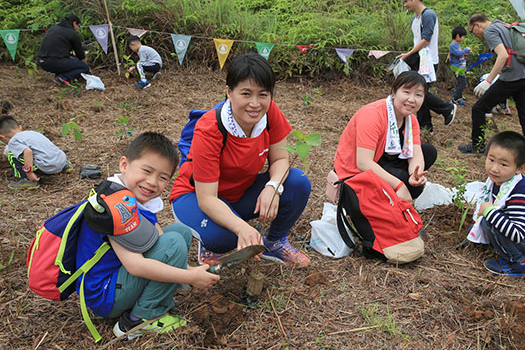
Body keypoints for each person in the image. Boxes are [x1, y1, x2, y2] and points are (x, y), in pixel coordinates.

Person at [170, 53, 311, 267]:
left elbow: (281, 158)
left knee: (297, 182)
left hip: (239, 192)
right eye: (246, 93)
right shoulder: (210, 128)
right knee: (226, 239)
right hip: (196, 197)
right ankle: (208, 240)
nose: (255, 104)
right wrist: (243, 228)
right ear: (229, 92)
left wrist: (272, 187)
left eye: (263, 94)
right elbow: (207, 198)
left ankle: (274, 242)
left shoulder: (269, 112)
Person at [76, 132, 220, 339]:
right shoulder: (116, 208)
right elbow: (136, 265)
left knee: (180, 232)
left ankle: (168, 284)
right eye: (146, 171)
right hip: (106, 295)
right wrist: (190, 276)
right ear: (124, 165)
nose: (152, 182)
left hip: (118, 277)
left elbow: (157, 237)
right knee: (173, 243)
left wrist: (191, 271)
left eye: (162, 177)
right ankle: (139, 320)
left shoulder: (128, 196)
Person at [334, 71, 437, 202]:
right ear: (393, 92)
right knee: (405, 184)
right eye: (406, 92)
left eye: (418, 95)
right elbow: (363, 162)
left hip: (384, 160)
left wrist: (414, 175)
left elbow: (415, 154)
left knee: (428, 153)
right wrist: (400, 185)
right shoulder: (373, 114)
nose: (412, 99)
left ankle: (392, 195)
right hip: (356, 170)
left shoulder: (411, 120)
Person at [473, 131, 525, 276]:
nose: (494, 168)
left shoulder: (519, 191)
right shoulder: (498, 181)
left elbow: (517, 233)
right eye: (491, 160)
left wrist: (489, 213)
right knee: (489, 220)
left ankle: (519, 262)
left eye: (504, 164)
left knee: (490, 221)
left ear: (520, 168)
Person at [458, 13, 525, 165]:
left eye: (472, 31)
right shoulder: (503, 25)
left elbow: (502, 56)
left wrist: (488, 81)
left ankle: (478, 146)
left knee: (479, 108)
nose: (474, 35)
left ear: (477, 25)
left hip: (512, 77)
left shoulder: (490, 31)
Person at [398, 0, 456, 133]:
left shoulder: (428, 15)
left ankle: (447, 108)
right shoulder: (415, 19)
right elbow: (418, 41)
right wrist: (409, 55)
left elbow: (426, 40)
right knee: (418, 93)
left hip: (428, 63)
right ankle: (425, 128)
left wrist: (408, 54)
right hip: (419, 61)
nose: (405, 5)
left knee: (419, 93)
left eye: (406, 1)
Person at [0, 115, 72, 190]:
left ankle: (28, 180)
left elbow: (27, 151)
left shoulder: (13, 141)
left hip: (48, 167)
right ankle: (66, 165)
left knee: (12, 155)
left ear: (2, 137)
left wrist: (29, 172)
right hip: (61, 161)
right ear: (20, 127)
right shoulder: (33, 133)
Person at [36, 14, 90, 86]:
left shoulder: (52, 29)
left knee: (68, 60)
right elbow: (80, 55)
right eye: (78, 26)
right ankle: (63, 78)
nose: (78, 29)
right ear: (74, 23)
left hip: (41, 62)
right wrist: (87, 68)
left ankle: (59, 76)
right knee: (84, 67)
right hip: (55, 62)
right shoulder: (73, 34)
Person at [449, 26, 472, 106]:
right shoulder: (453, 45)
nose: (463, 38)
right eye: (463, 36)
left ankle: (458, 96)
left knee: (462, 83)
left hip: (461, 68)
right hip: (457, 68)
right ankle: (455, 99)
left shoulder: (457, 45)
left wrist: (466, 53)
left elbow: (459, 54)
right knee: (462, 83)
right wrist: (466, 49)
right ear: (458, 36)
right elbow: (459, 53)